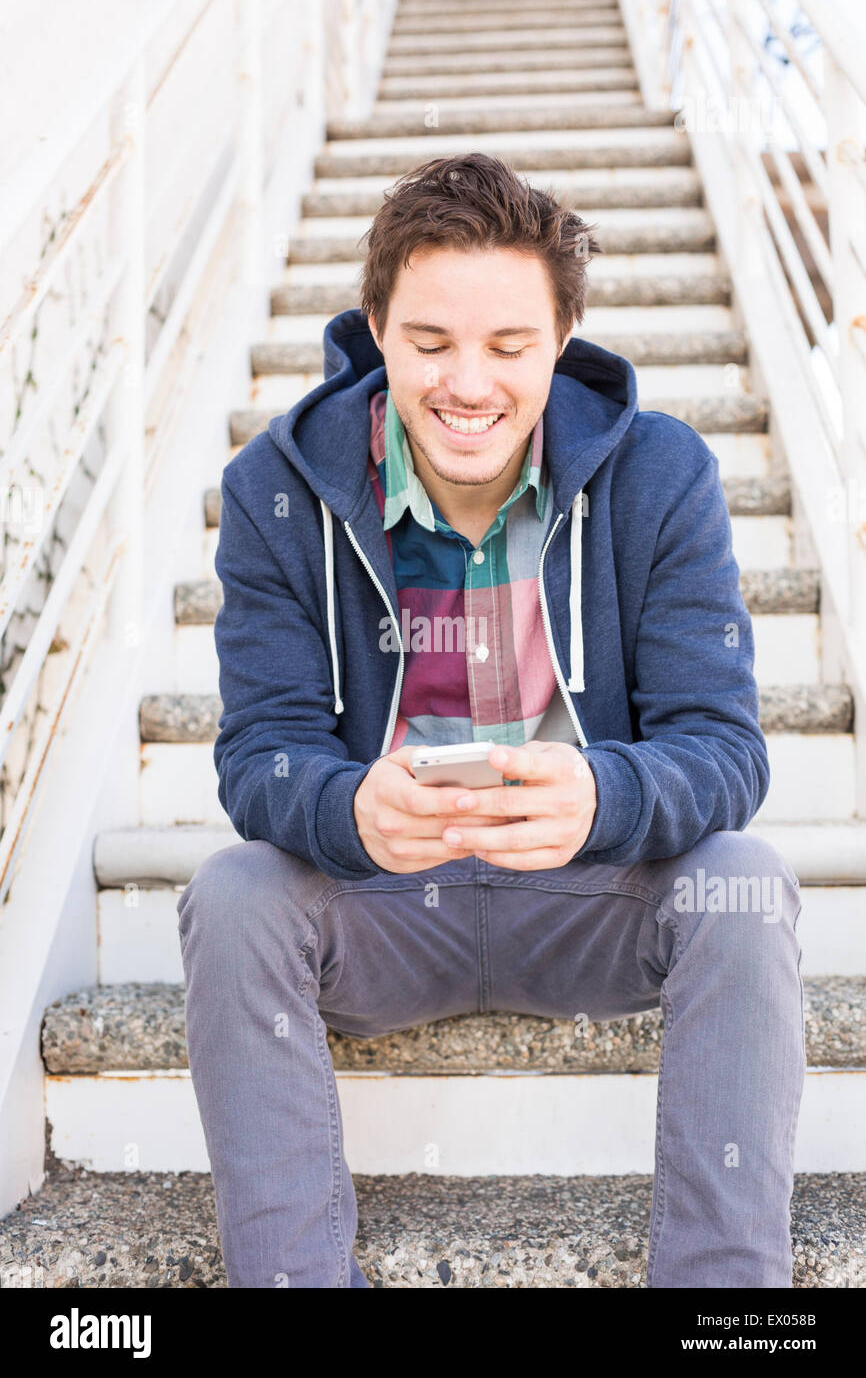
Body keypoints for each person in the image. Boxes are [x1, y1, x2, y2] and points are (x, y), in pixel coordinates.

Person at [177, 153, 806, 1289]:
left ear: (561, 337)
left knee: (745, 881)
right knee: (232, 893)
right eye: (427, 343)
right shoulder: (273, 487)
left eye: (508, 347)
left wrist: (605, 795)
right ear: (374, 327)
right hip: (381, 899)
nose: (467, 383)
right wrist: (343, 807)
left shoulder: (662, 473)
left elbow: (722, 749)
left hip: (585, 890)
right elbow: (257, 752)